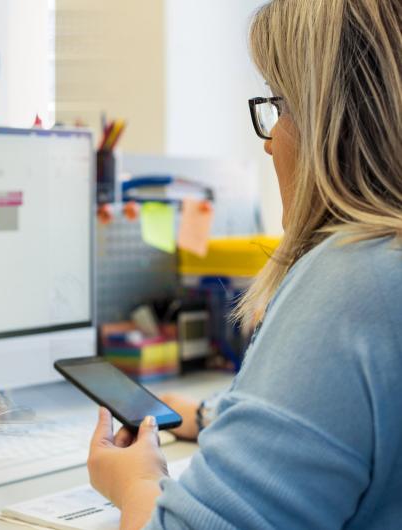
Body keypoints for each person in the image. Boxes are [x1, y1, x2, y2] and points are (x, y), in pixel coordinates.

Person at [87, 1, 402, 528]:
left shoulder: (356, 277)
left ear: (330, 121)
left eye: (279, 107)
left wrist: (136, 481)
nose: (270, 142)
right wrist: (212, 415)